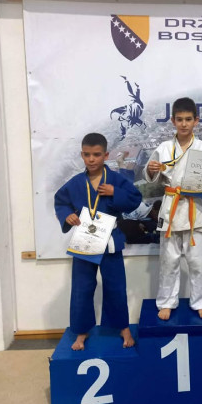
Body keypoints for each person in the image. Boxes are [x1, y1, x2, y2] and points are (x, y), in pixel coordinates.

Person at [54, 133, 142, 350]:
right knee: (82, 288)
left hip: (109, 239)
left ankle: (123, 327)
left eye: (96, 154)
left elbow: (135, 199)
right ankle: (81, 331)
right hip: (85, 239)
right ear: (82, 155)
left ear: (106, 155)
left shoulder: (116, 180)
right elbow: (61, 201)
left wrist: (115, 192)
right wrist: (67, 215)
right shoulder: (76, 183)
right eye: (87, 155)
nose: (91, 159)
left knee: (116, 287)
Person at [144, 97, 202, 320]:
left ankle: (201, 301)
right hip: (171, 207)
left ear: (196, 120)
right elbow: (150, 175)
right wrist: (152, 169)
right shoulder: (163, 148)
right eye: (179, 119)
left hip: (194, 209)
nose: (184, 124)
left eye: (188, 119)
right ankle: (167, 301)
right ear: (173, 121)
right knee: (169, 261)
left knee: (199, 261)